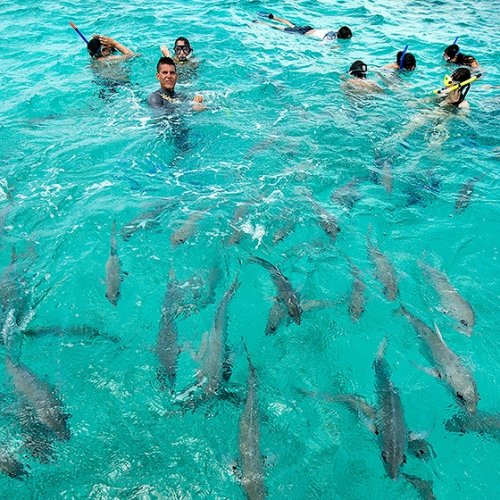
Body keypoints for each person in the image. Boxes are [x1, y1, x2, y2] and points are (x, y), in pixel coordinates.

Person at [254, 12, 352, 41]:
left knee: (290, 24)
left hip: (308, 28)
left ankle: (273, 17)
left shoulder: (332, 31)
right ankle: (260, 22)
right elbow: (322, 44)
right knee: (280, 28)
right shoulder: (330, 38)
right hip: (303, 33)